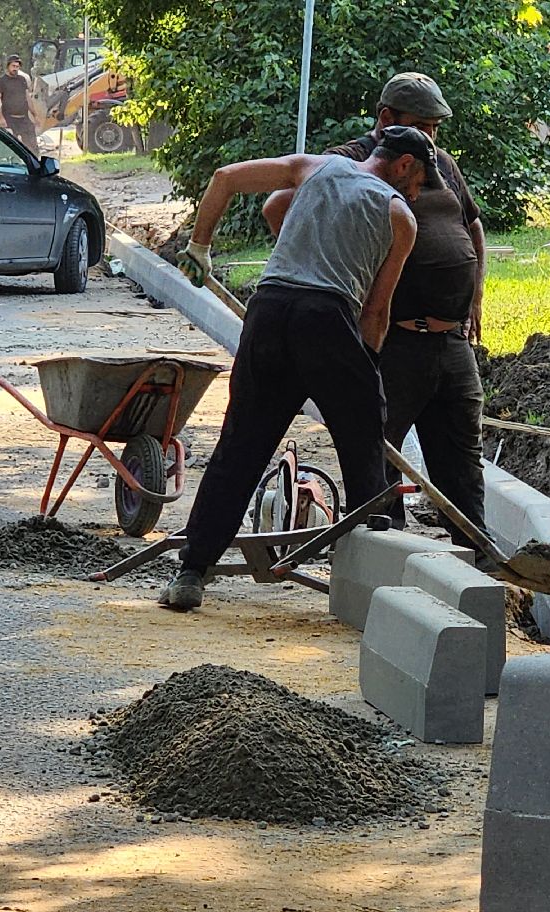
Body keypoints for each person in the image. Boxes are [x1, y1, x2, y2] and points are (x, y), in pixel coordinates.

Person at [157, 126, 436, 611]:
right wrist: (364, 371)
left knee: (241, 444)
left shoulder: (316, 168)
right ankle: (370, 567)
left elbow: (224, 178)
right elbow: (376, 312)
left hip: (267, 311)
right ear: (405, 164)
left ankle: (191, 571)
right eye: (418, 181)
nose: (415, 192)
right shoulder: (398, 215)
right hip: (327, 319)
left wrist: (200, 247)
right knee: (364, 436)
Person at [262, 73, 491, 554]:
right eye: (422, 125)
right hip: (395, 338)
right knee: (378, 446)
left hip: (451, 340)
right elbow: (280, 206)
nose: (431, 138)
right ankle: (386, 547)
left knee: (461, 450)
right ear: (386, 120)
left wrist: (475, 298)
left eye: (436, 127)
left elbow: (471, 226)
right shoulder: (348, 163)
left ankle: (478, 552)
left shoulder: (439, 163)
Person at [0, 54, 39, 155]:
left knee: (32, 146)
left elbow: (28, 98)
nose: (15, 69)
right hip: (9, 119)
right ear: (8, 66)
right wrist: (0, 118)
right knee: (11, 148)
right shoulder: (1, 81)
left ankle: (36, 165)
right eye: (13, 66)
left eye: (17, 67)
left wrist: (35, 115)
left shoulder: (22, 80)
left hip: (24, 119)